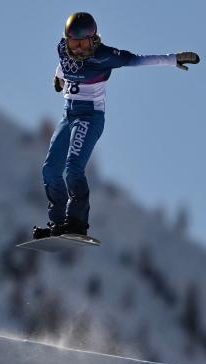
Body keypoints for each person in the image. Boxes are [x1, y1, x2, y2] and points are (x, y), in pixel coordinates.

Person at [33, 12, 199, 239]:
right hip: (68, 115)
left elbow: (138, 59)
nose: (78, 48)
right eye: (74, 42)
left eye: (83, 43)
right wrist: (59, 77)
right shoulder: (63, 48)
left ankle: (77, 223)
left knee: (73, 169)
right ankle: (57, 224)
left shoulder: (105, 56)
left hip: (89, 116)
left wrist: (172, 59)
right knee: (50, 171)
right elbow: (63, 63)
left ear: (93, 40)